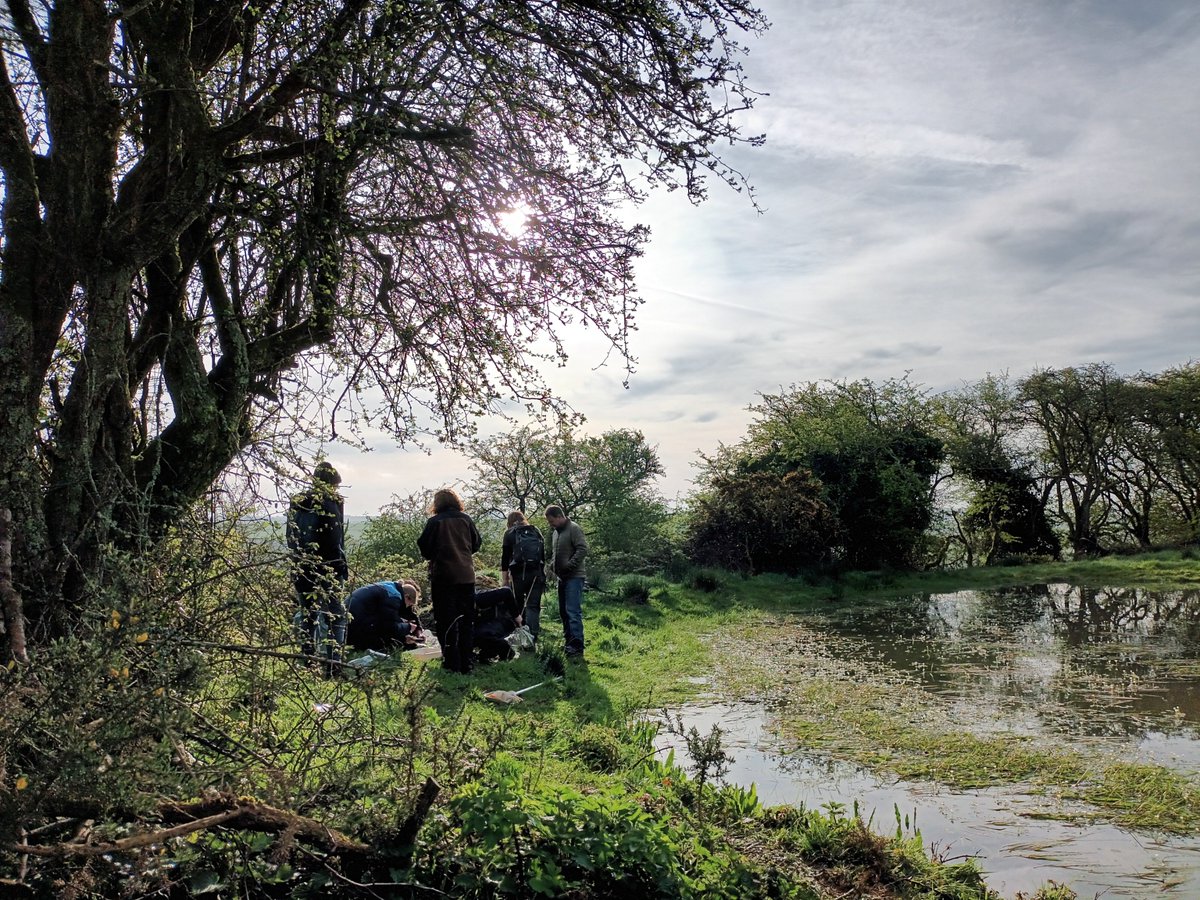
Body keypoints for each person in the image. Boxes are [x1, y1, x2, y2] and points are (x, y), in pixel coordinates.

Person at [287, 461, 349, 676]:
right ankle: (333, 666)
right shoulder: (331, 501)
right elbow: (334, 538)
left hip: (301, 567)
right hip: (328, 567)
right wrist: (339, 566)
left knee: (308, 615)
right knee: (334, 616)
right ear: (332, 483)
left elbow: (291, 536)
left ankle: (307, 663)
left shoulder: (298, 502)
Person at [416, 488, 482, 674]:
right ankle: (467, 662)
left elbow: (424, 548)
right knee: (466, 620)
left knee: (446, 620)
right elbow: (477, 543)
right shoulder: (466, 519)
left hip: (443, 577)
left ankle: (451, 662)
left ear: (437, 504)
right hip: (467, 576)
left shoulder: (434, 522)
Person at [545, 504, 588, 659]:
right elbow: (555, 555)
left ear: (559, 516)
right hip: (562, 578)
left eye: (552, 521)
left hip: (575, 577)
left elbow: (583, 549)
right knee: (564, 611)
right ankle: (569, 642)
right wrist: (550, 568)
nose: (551, 525)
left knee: (572, 611)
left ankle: (577, 647)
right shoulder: (556, 533)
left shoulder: (574, 528)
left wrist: (569, 566)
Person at [500, 510, 546, 641]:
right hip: (536, 573)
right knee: (533, 605)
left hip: (518, 574)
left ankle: (520, 635)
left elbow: (505, 558)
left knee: (517, 604)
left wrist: (505, 580)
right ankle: (533, 636)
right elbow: (543, 554)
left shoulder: (509, 533)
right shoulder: (535, 530)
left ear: (509, 522)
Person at [345, 580, 425, 653]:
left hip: (349, 622)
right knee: (391, 638)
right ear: (407, 596)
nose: (408, 606)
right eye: (409, 604)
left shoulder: (392, 588)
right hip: (355, 627)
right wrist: (408, 628)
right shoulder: (393, 597)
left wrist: (418, 630)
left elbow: (408, 613)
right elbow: (389, 627)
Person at [472, 585, 522, 662]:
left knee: (483, 634)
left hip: (501, 621)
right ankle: (486, 653)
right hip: (481, 625)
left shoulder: (479, 598)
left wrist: (516, 616)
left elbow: (506, 591)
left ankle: (505, 651)